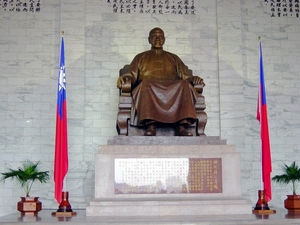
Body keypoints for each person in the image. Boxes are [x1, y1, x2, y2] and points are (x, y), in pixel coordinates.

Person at [117, 27, 205, 136]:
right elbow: (131, 74)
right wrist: (126, 77)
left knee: (185, 84)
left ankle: (181, 126)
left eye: (160, 36)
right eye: (154, 36)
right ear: (149, 39)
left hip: (173, 89)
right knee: (146, 83)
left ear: (164, 39)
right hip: (149, 86)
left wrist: (193, 79)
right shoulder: (141, 57)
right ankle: (151, 125)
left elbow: (186, 76)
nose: (157, 38)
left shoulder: (173, 58)